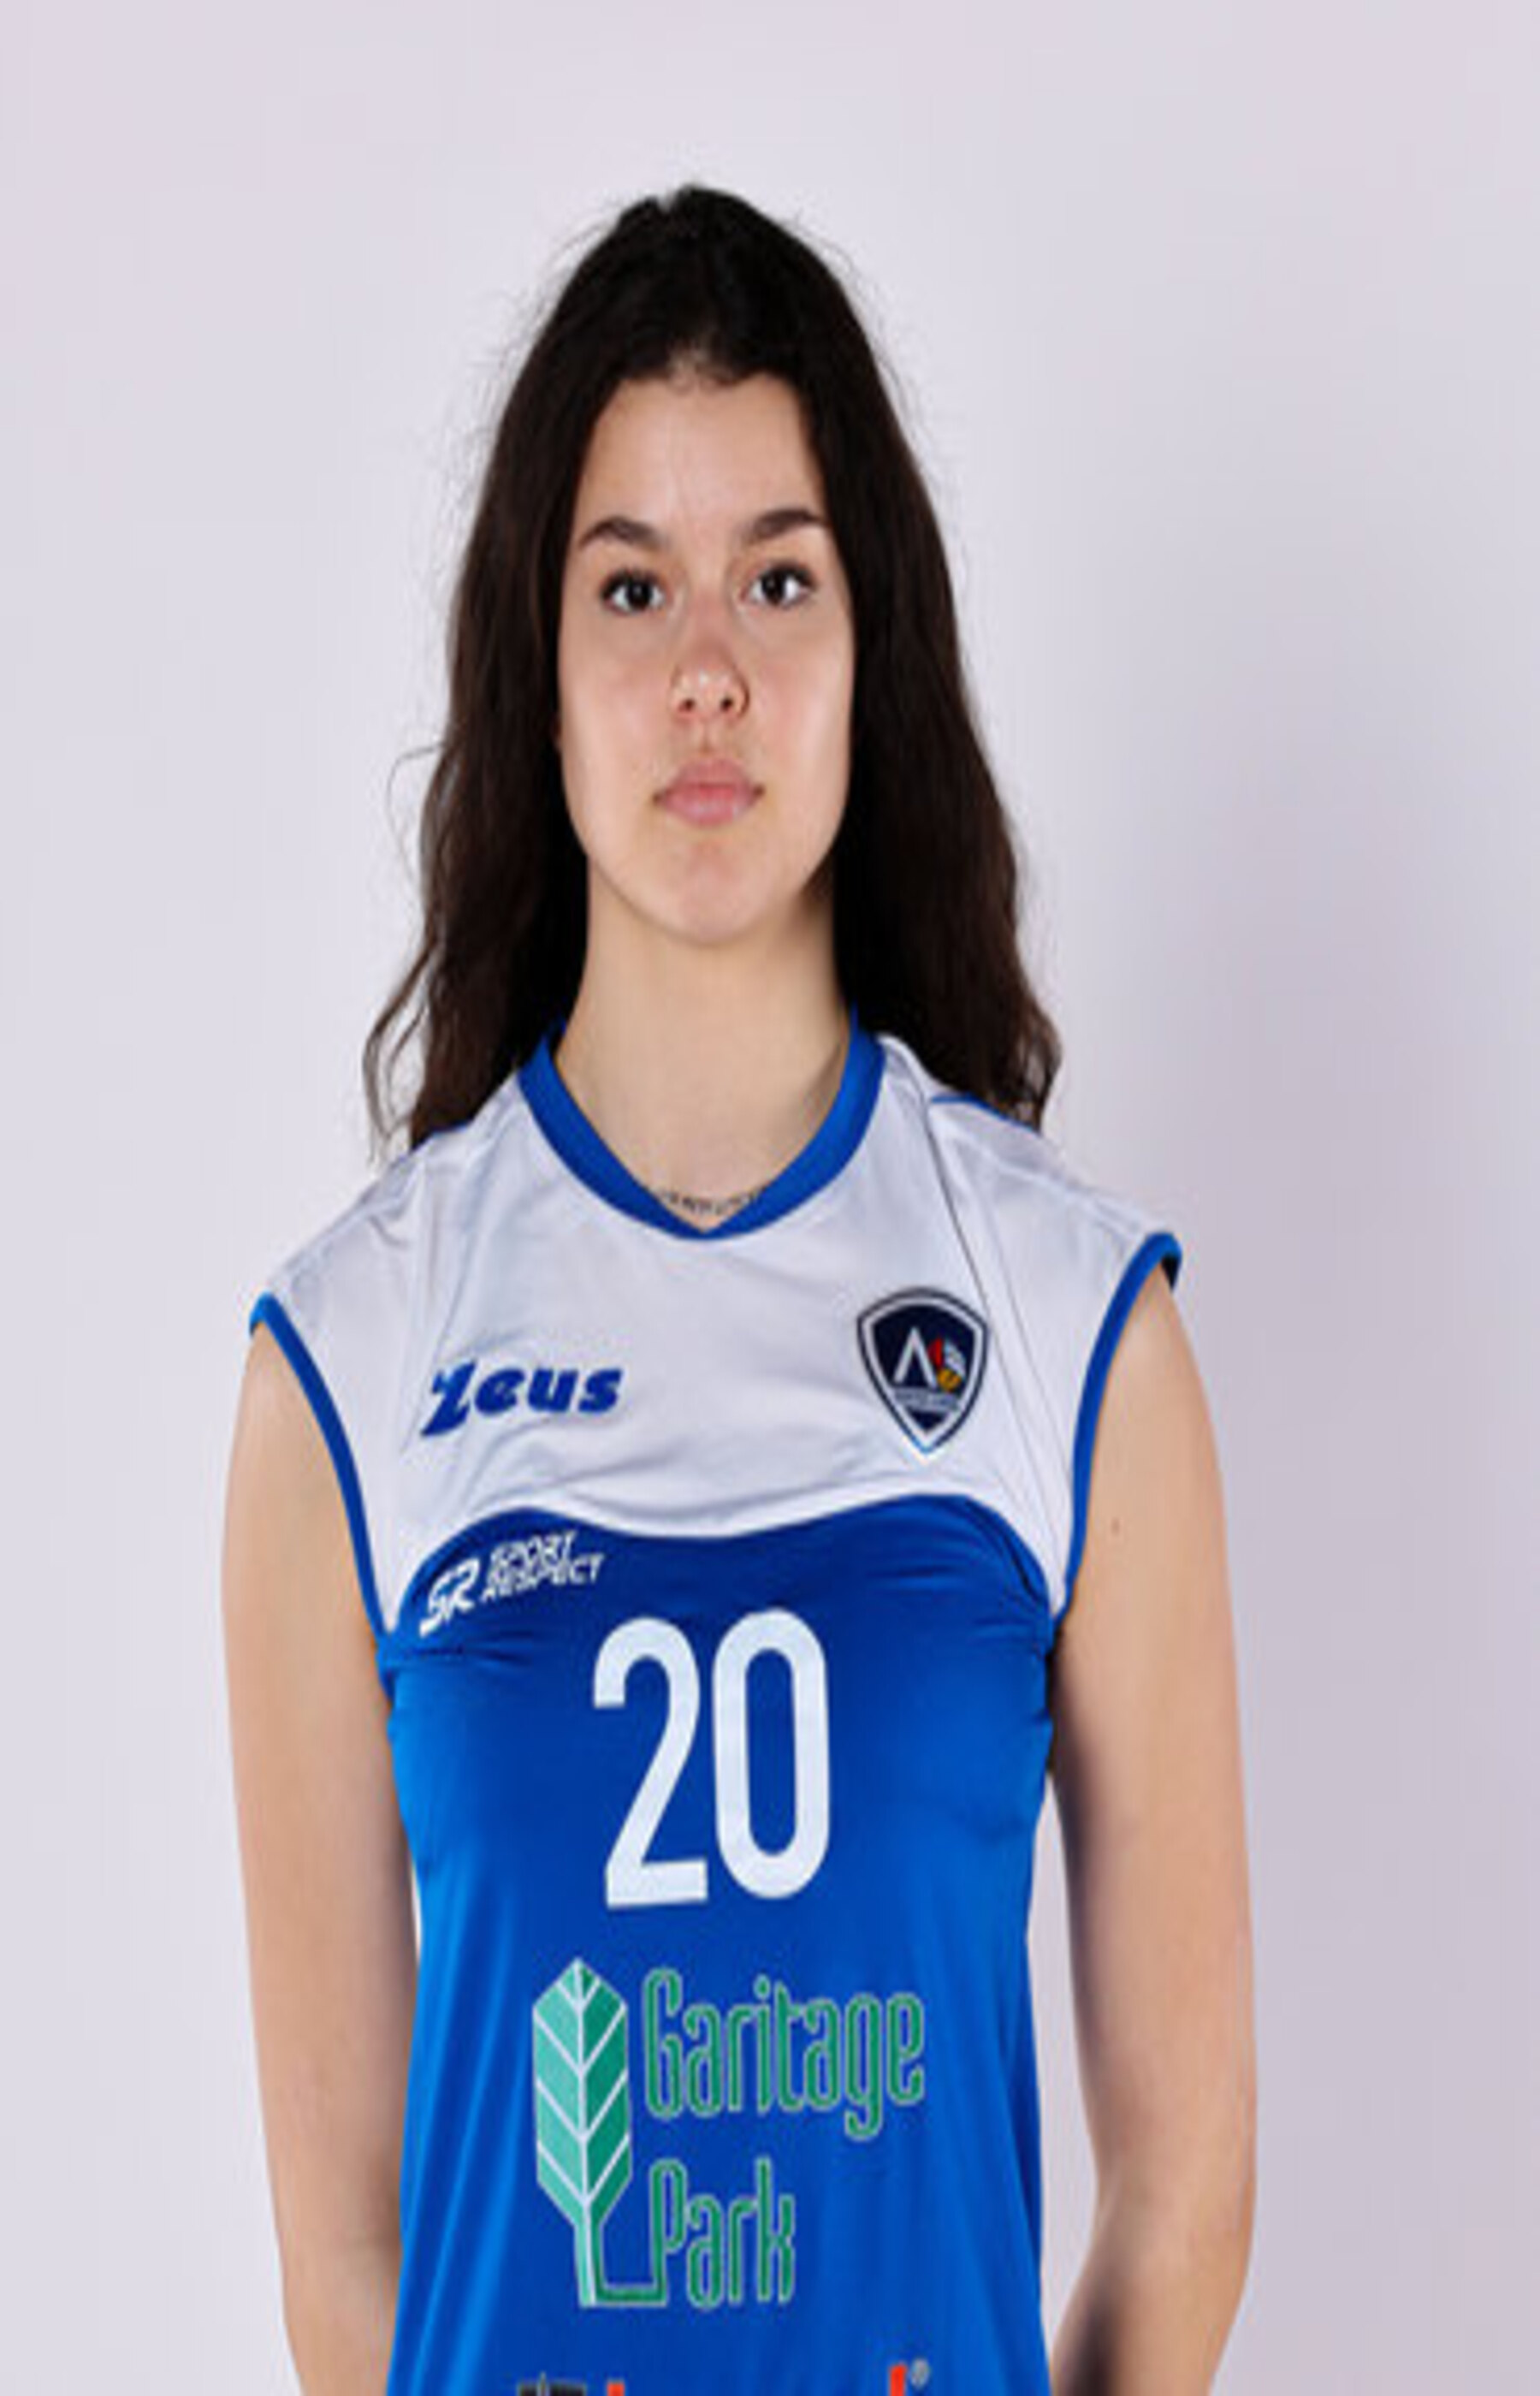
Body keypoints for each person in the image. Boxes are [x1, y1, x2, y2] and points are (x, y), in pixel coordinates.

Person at [223, 186, 1255, 2395]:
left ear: (876, 653)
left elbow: (1185, 2192)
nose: (709, 668)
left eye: (779, 579)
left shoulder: (1072, 1323)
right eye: (634, 587)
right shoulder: (351, 1359)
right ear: (540, 671)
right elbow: (345, 2255)